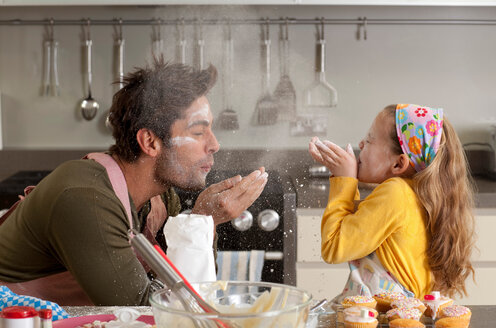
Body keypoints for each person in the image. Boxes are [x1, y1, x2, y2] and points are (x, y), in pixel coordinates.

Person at [0, 59, 268, 305]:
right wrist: (200, 220)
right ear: (150, 142)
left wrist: (205, 222)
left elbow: (187, 295)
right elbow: (145, 312)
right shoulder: (85, 198)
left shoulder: (160, 197)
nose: (214, 144)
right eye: (198, 131)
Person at [308, 104, 475, 301]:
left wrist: (344, 181)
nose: (361, 143)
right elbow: (353, 229)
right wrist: (345, 178)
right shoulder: (417, 195)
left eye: (370, 140)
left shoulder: (395, 193)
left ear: (398, 164)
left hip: (383, 317)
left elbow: (334, 247)